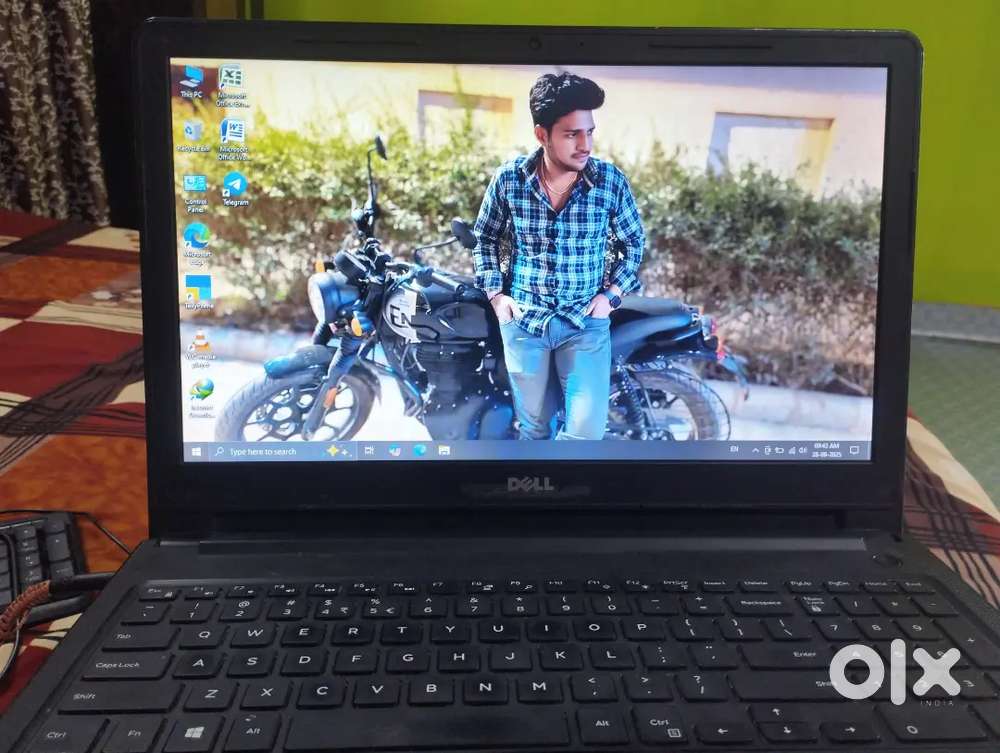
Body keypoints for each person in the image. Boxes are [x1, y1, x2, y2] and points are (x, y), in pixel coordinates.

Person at [473, 72, 645, 439]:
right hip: (524, 321)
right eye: (572, 134)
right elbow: (485, 238)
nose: (585, 145)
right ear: (542, 134)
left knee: (585, 435)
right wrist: (497, 297)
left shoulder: (610, 182)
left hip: (585, 322)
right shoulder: (509, 180)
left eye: (590, 132)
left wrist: (611, 297)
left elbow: (633, 243)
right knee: (534, 429)